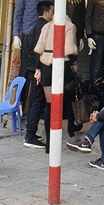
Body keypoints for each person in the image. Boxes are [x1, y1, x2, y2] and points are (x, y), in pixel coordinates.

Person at [34, 7, 79, 143]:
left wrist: (38, 68)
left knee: (50, 105)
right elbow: (70, 49)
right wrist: (74, 63)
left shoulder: (47, 26)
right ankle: (71, 126)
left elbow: (39, 49)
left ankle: (49, 142)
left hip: (46, 66)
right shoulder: (70, 26)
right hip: (61, 65)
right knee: (70, 96)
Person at [22, 0, 53, 150]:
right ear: (46, 12)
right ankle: (30, 135)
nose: (53, 14)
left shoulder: (38, 26)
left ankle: (31, 133)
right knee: (36, 101)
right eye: (52, 11)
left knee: (37, 100)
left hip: (35, 69)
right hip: (38, 71)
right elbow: (37, 50)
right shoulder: (43, 27)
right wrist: (38, 70)